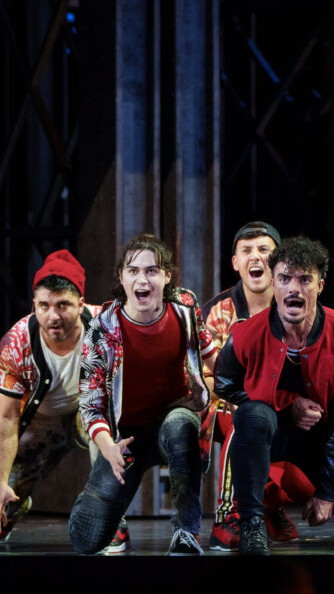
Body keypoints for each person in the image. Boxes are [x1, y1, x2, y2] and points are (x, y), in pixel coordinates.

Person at [215, 236, 334, 555]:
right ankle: (253, 523)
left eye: (304, 279)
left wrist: (326, 494)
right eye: (284, 278)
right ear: (274, 283)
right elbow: (224, 385)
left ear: (320, 285)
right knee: (252, 415)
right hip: (270, 433)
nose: (294, 288)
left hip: (323, 441)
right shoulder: (245, 334)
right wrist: (285, 403)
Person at [0, 250, 132, 550]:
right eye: (44, 306)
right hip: (45, 420)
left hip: (93, 413)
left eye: (63, 305)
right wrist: (5, 483)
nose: (53, 316)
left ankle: (110, 518)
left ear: (81, 303)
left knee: (105, 428)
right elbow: (6, 419)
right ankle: (7, 511)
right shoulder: (16, 343)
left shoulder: (106, 326)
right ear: (34, 304)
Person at [68, 234, 217, 555]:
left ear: (166, 277)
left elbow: (212, 357)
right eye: (133, 270)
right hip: (128, 436)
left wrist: (237, 393)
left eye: (152, 271)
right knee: (86, 539)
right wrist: (108, 447)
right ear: (121, 278)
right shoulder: (103, 328)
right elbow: (90, 404)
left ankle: (185, 533)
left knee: (181, 428)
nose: (142, 279)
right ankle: (99, 505)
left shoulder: (186, 308)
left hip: (173, 417)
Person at [202, 221, 312, 551]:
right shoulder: (220, 311)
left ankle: (268, 503)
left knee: (309, 486)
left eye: (264, 250)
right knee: (247, 419)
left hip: (285, 408)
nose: (256, 257)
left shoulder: (298, 305)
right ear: (235, 262)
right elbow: (210, 377)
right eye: (247, 251)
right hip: (230, 409)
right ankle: (229, 517)